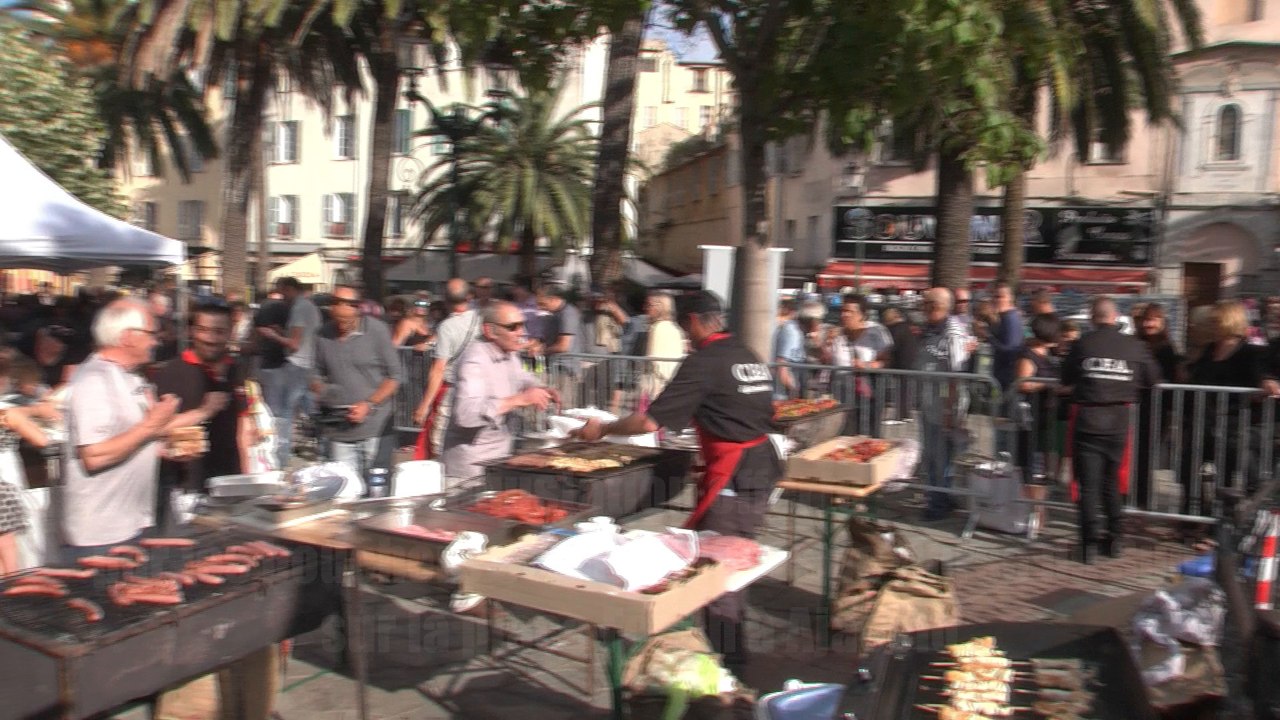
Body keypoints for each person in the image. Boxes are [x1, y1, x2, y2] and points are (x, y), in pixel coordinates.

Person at [573, 290, 782, 670]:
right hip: (758, 465)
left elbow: (648, 422)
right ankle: (719, 647)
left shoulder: (703, 362)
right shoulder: (746, 354)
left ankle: (727, 665)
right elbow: (750, 411)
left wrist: (601, 429)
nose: (686, 337)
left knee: (718, 567)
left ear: (693, 321)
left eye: (685, 329)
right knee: (725, 557)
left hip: (735, 473)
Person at [63, 299, 226, 560]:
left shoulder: (131, 377)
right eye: (151, 333)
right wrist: (152, 425)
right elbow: (94, 456)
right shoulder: (94, 380)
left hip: (132, 523)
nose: (156, 341)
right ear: (128, 337)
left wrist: (167, 450)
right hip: (101, 534)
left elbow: (135, 439)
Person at [1061, 297, 1158, 563]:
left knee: (1088, 486)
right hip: (1118, 420)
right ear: (1115, 317)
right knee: (1111, 483)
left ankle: (1088, 546)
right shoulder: (1134, 346)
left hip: (1089, 419)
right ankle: (1115, 539)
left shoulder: (1083, 344)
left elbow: (1066, 376)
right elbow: (1152, 378)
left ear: (1092, 317)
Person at [153, 304, 256, 530]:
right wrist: (204, 411)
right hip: (186, 488)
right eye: (203, 330)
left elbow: (243, 429)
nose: (211, 339)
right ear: (191, 331)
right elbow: (156, 429)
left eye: (219, 332)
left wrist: (246, 479)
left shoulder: (237, 370)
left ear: (230, 332)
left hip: (230, 483)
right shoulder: (172, 372)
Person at [442, 302, 559, 482]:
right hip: (470, 471)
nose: (521, 332)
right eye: (513, 327)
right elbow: (465, 414)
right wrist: (519, 399)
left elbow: (521, 377)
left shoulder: (509, 353)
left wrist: (542, 388)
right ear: (490, 331)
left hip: (498, 461)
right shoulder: (474, 361)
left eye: (522, 325)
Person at [311, 285, 403, 475]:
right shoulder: (322, 334)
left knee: (375, 485)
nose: (342, 325)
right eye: (338, 319)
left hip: (375, 427)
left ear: (357, 310)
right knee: (345, 486)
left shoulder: (377, 331)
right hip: (338, 428)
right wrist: (320, 389)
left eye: (346, 320)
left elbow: (395, 376)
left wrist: (369, 404)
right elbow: (315, 371)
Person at [916, 288, 971, 520]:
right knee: (932, 454)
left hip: (943, 403)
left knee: (939, 457)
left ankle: (938, 503)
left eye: (925, 304)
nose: (921, 308)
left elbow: (954, 376)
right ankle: (941, 497)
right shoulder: (930, 329)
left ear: (936, 306)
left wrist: (950, 411)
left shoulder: (953, 333)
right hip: (929, 401)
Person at [412, 279, 481, 460]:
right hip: (480, 390)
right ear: (469, 296)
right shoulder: (482, 321)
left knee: (441, 444)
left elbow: (438, 369)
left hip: (453, 392)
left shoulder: (447, 327)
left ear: (445, 300)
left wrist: (424, 405)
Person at [257, 277, 322, 468]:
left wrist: (272, 335)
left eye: (282, 291)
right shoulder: (310, 307)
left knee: (284, 413)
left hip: (296, 364)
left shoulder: (299, 308)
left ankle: (280, 458)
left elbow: (294, 344)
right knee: (311, 410)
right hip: (309, 363)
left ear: (290, 289)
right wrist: (281, 331)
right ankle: (323, 448)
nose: (281, 296)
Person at [1132, 304, 1181, 508]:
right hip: (1136, 405)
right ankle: (1131, 495)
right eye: (1146, 319)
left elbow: (1170, 379)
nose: (1149, 324)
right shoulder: (1136, 344)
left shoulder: (1167, 348)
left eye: (1154, 319)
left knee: (1146, 455)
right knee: (1133, 454)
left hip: (1157, 408)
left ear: (1162, 322)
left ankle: (1142, 500)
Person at [827, 293, 892, 436]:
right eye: (842, 310)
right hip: (842, 390)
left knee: (869, 432)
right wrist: (826, 344)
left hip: (869, 390)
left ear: (862, 314)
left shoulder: (876, 331)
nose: (844, 315)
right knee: (845, 432)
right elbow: (827, 361)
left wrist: (866, 365)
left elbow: (886, 361)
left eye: (849, 311)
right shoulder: (837, 334)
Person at [1012, 314, 1061, 478]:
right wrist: (1047, 383)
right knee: (1029, 460)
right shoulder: (1028, 356)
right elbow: (1023, 383)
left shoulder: (1048, 352)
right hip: (1031, 416)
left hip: (1046, 415)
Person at [640, 292, 686, 404]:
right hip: (671, 382)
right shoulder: (675, 328)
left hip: (656, 385)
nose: (645, 308)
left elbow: (653, 359)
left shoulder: (658, 328)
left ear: (659, 307)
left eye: (649, 305)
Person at [989, 285, 1023, 390]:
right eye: (994, 296)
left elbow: (1009, 350)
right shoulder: (1004, 317)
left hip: (1007, 378)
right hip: (1001, 376)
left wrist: (988, 337)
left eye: (1000, 297)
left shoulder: (1010, 318)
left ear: (1010, 298)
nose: (995, 300)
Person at [773, 299, 806, 400]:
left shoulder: (793, 330)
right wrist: (793, 389)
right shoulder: (791, 331)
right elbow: (782, 363)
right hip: (783, 393)